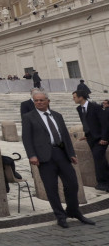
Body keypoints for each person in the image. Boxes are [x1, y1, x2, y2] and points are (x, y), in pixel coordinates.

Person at [22, 91, 94, 228]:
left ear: (48, 101)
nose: (39, 102)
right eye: (36, 101)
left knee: (72, 184)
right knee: (51, 188)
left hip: (61, 153)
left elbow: (65, 135)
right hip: (44, 157)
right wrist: (32, 155)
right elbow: (26, 138)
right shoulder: (28, 117)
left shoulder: (57, 116)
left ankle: (73, 211)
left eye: (42, 100)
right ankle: (60, 216)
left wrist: (71, 153)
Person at [73, 90, 109, 191]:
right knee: (99, 160)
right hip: (90, 138)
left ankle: (103, 182)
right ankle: (103, 182)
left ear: (81, 97)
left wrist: (105, 138)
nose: (73, 99)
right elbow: (85, 122)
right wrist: (86, 134)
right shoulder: (79, 109)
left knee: (99, 159)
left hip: (100, 138)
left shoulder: (95, 107)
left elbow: (105, 123)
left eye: (75, 97)